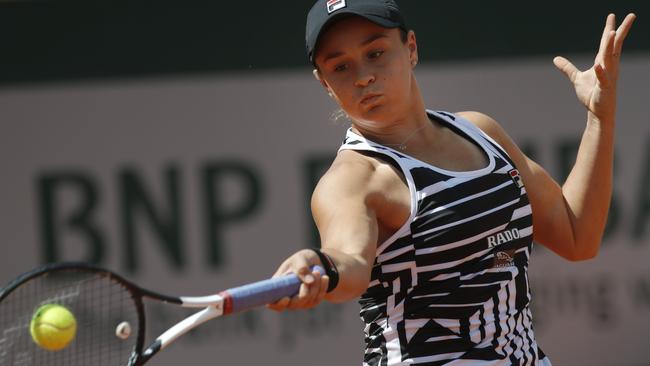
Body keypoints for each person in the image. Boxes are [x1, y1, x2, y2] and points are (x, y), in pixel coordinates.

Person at [267, 0, 636, 364]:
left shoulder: (481, 131)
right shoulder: (351, 180)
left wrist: (600, 118)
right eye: (341, 66)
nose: (362, 76)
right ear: (325, 83)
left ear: (410, 48)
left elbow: (577, 235)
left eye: (376, 53)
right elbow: (348, 261)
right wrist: (321, 266)